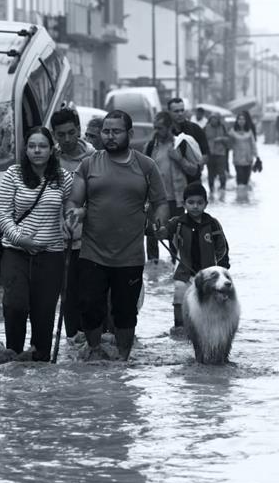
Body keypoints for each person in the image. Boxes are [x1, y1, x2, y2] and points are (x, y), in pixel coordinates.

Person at [66, 110, 169, 361]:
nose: (110, 137)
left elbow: (161, 201)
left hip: (130, 255)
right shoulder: (89, 164)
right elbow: (73, 200)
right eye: (106, 131)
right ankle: (94, 352)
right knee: (90, 308)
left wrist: (160, 220)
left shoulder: (146, 166)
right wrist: (75, 212)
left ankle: (123, 361)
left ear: (129, 134)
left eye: (116, 131)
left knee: (125, 314)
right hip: (92, 252)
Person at [0, 126, 73, 361]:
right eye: (31, 146)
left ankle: (40, 367)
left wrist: (70, 222)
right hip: (15, 253)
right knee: (15, 307)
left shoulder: (64, 178)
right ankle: (13, 361)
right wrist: (21, 239)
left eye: (42, 146)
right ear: (25, 149)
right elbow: (3, 215)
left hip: (51, 256)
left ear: (52, 150)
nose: (37, 151)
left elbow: (72, 209)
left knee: (44, 314)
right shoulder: (13, 174)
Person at [160, 182, 230, 337]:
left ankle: (211, 329)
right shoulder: (177, 223)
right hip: (185, 273)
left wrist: (223, 269)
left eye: (199, 203)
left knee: (211, 303)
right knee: (179, 295)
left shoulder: (212, 224)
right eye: (191, 203)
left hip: (208, 275)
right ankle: (179, 328)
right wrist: (157, 230)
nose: (195, 206)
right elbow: (163, 232)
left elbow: (223, 247)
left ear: (206, 204)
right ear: (184, 204)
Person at [50, 107, 95, 342]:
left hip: (91, 241)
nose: (66, 139)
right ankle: (73, 343)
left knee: (91, 297)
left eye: (71, 132)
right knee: (67, 299)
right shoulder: (50, 160)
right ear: (54, 135)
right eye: (60, 135)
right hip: (60, 242)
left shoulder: (94, 158)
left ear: (79, 130)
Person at [144, 110, 201, 262]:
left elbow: (194, 170)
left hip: (175, 199)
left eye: (160, 128)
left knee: (175, 238)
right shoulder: (150, 146)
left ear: (169, 127)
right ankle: (153, 275)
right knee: (152, 237)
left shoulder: (180, 144)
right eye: (154, 127)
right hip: (155, 199)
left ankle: (176, 272)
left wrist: (179, 159)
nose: (156, 131)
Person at [166, 98, 209, 182]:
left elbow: (206, 153)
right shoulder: (165, 132)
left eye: (182, 110)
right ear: (169, 112)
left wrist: (198, 166)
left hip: (193, 180)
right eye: (176, 111)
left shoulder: (195, 129)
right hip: (172, 181)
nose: (180, 114)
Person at [229, 110, 258, 201]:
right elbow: (228, 144)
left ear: (246, 121)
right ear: (237, 121)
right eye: (239, 119)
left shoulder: (249, 131)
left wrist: (257, 156)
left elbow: (253, 144)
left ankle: (244, 200)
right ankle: (240, 199)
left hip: (248, 159)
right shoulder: (232, 132)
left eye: (243, 119)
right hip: (237, 159)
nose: (241, 121)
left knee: (246, 180)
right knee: (240, 178)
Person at [204, 113, 230, 193]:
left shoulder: (222, 127)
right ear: (209, 120)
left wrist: (221, 139)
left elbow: (228, 139)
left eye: (215, 119)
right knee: (210, 173)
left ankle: (222, 188)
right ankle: (211, 189)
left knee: (221, 172)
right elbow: (201, 139)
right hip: (210, 153)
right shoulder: (206, 128)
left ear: (218, 120)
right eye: (212, 119)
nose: (213, 120)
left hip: (221, 153)